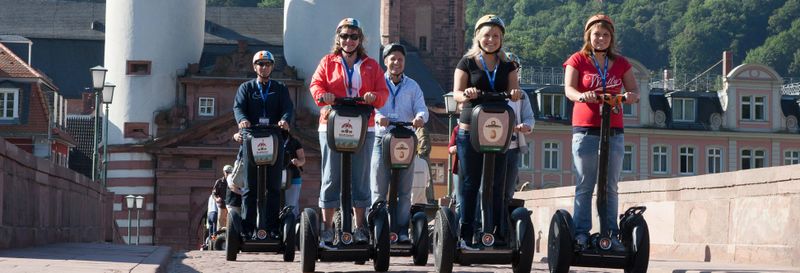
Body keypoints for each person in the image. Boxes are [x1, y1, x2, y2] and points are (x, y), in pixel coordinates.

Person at [563, 14, 640, 251]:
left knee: (610, 185)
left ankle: (610, 234)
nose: (601, 38)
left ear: (611, 38)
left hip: (614, 129)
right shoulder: (577, 60)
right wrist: (582, 95)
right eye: (597, 34)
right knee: (586, 183)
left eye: (606, 35)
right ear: (589, 35)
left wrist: (629, 97)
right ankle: (581, 234)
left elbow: (634, 91)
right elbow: (569, 89)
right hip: (586, 128)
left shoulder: (620, 63)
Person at [310, 18, 389, 245]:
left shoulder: (372, 65)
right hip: (332, 123)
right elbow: (316, 84)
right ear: (339, 38)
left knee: (360, 177)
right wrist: (322, 96)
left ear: (360, 39)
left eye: (354, 36)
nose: (349, 40)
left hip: (364, 123)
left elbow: (382, 92)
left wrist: (375, 97)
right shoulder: (328, 62)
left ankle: (360, 226)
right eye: (345, 36)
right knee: (331, 175)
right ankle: (326, 228)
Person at [452, 14, 522, 250]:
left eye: (496, 36)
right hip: (470, 130)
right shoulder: (467, 63)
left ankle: (493, 233)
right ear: (478, 38)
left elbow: (515, 91)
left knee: (496, 184)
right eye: (487, 35)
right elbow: (457, 94)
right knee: (470, 184)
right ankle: (467, 235)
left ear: (501, 39)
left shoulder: (508, 65)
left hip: (498, 130)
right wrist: (468, 94)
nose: (491, 40)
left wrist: (515, 94)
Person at [370, 43, 429, 243]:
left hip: (405, 140)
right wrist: (378, 117)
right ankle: (377, 228)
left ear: (404, 63)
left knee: (405, 190)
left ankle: (402, 230)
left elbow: (422, 108)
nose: (396, 62)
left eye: (400, 59)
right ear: (385, 61)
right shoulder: (377, 84)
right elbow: (372, 106)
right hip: (382, 139)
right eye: (392, 59)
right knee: (379, 187)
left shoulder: (413, 86)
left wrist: (420, 118)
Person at [233, 50, 293, 240]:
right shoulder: (246, 88)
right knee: (250, 188)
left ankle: (273, 228)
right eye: (260, 64)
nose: (263, 67)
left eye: (267, 64)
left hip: (274, 139)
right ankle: (248, 228)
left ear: (272, 67)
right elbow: (238, 107)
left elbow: (288, 108)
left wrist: (284, 120)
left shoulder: (280, 88)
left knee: (274, 187)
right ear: (254, 67)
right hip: (252, 139)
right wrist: (242, 120)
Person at [502, 52, 535, 204]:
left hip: (513, 147)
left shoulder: (522, 95)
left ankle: (505, 219)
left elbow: (529, 116)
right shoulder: (494, 91)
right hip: (492, 146)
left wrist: (526, 126)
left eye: (514, 69)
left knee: (509, 187)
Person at [282, 131, 306, 217]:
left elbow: (303, 159)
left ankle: (292, 223)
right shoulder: (272, 140)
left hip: (293, 176)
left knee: (291, 206)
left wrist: (298, 162)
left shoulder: (294, 142)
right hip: (275, 176)